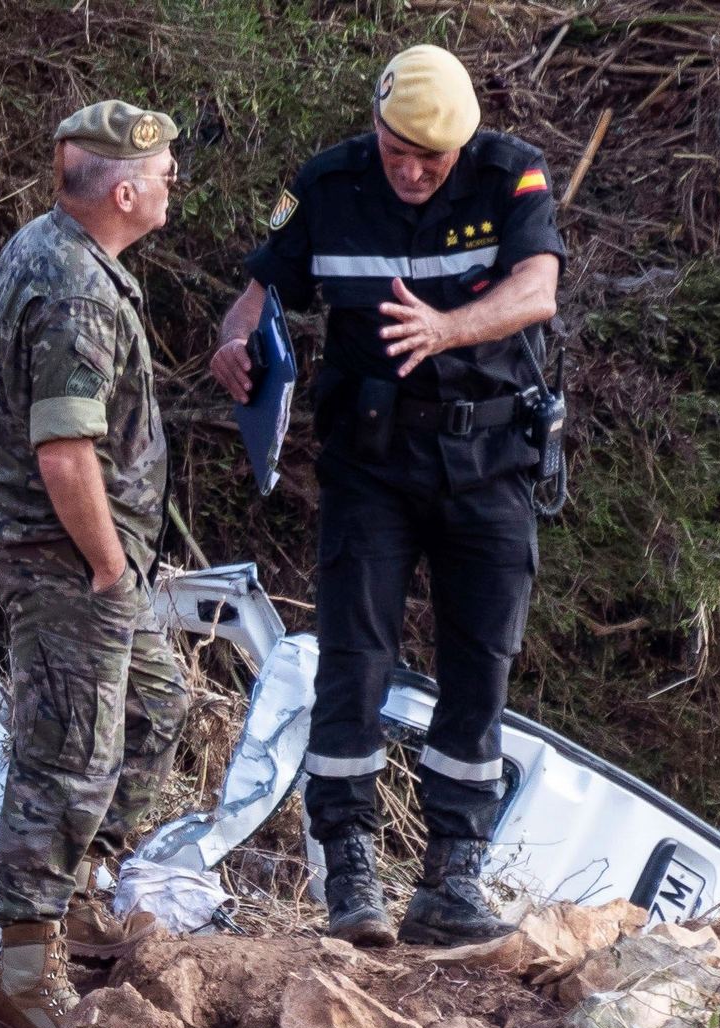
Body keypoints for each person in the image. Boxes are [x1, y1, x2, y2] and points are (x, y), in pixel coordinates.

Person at [210, 44, 563, 948]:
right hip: (371, 461)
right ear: (375, 127)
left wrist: (446, 328)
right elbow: (259, 293)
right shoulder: (328, 184)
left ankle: (451, 878)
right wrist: (237, 343)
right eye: (396, 151)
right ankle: (351, 874)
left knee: (479, 662)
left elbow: (537, 290)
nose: (410, 171)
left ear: (462, 146)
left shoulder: (511, 175)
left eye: (430, 160)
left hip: (489, 461)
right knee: (354, 659)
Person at [0, 99, 192, 1028]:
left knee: (158, 703)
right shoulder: (77, 292)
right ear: (123, 192)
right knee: (67, 756)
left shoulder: (58, 249)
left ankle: (78, 896)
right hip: (65, 558)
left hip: (85, 556)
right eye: (164, 174)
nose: (173, 184)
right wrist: (105, 563)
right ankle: (24, 975)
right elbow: (63, 451)